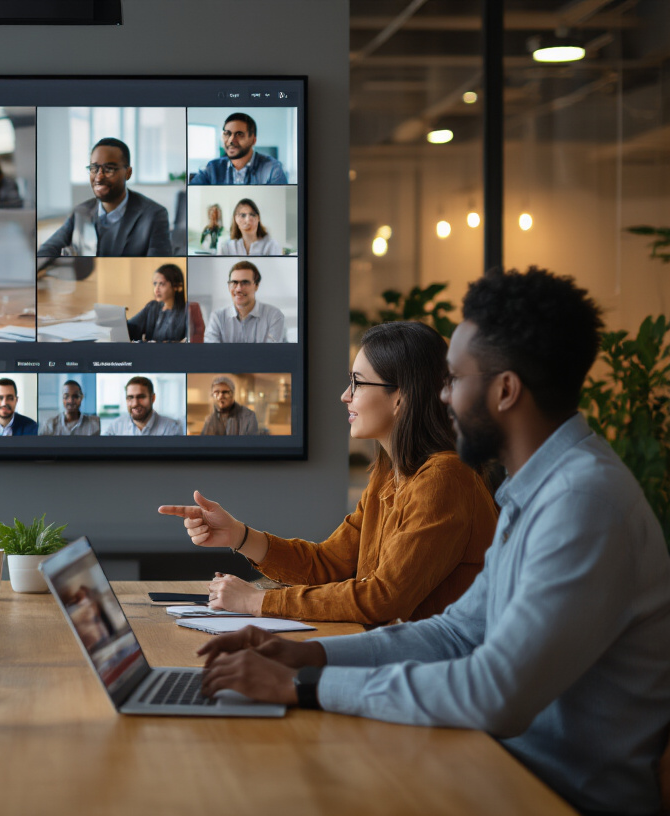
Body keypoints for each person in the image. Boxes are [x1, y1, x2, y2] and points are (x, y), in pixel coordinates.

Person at [192, 269, 670, 816]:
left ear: (505, 390)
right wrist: (306, 655)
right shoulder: (534, 491)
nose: (441, 395)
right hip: (498, 763)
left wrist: (305, 685)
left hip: (551, 791)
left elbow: (494, 694)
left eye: (455, 379)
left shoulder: (582, 503)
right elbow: (457, 632)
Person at [163, 320, 496, 623]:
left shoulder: (444, 479)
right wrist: (238, 535)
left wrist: (256, 602)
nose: (345, 396)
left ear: (402, 397)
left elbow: (383, 599)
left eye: (358, 383)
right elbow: (328, 563)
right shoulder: (389, 476)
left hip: (435, 673)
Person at [37, 138, 171, 258]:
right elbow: (47, 250)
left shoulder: (154, 215)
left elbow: (158, 268)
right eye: (94, 169)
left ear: (128, 173)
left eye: (109, 169)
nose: (99, 177)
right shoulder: (81, 212)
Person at [189, 112, 288, 185]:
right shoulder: (212, 168)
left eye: (239, 134)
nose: (231, 140)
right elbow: (192, 194)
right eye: (227, 134)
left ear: (253, 140)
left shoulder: (272, 169)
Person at [203, 261, 287, 343]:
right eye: (234, 282)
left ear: (256, 286)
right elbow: (212, 353)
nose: (238, 289)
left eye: (245, 283)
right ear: (229, 286)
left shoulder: (274, 316)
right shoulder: (217, 317)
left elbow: (272, 354)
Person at [102, 376, 183, 436]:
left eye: (141, 397)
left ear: (153, 398)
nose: (135, 403)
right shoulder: (115, 427)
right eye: (130, 397)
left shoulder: (171, 428)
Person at [127, 263, 188, 342]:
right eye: (155, 284)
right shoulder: (152, 307)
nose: (156, 289)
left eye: (161, 284)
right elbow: (130, 328)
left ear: (176, 286)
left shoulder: (186, 311)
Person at [217, 198, 282, 256]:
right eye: (243, 215)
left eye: (252, 215)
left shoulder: (271, 246)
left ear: (258, 218)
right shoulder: (226, 247)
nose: (247, 220)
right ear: (235, 218)